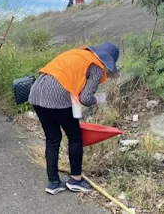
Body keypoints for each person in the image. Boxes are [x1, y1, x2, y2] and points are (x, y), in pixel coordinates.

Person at [28, 42, 120, 195]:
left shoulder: (78, 53)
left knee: (52, 138)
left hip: (36, 92)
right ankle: (76, 180)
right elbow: (85, 98)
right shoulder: (96, 66)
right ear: (107, 61)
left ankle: (53, 183)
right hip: (56, 96)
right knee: (75, 137)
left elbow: (69, 80)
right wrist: (99, 99)